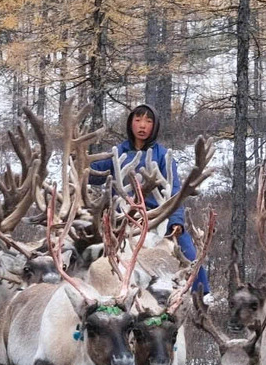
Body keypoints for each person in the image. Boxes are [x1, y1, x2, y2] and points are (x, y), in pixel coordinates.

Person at [87, 102, 208, 298]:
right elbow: (92, 173)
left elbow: (175, 192)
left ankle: (199, 295)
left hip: (156, 218)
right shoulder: (117, 153)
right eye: (138, 120)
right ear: (130, 123)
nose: (142, 125)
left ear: (155, 126)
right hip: (122, 217)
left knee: (189, 255)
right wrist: (78, 163)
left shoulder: (163, 156)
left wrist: (176, 222)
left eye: (148, 121)